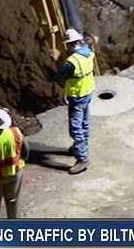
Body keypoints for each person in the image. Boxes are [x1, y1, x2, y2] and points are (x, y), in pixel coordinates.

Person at [55, 28, 95, 174]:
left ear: (70, 44)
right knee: (85, 121)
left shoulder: (71, 62)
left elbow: (59, 76)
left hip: (77, 95)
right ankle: (81, 146)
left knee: (75, 127)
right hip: (88, 91)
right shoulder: (88, 52)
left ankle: (82, 158)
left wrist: (58, 59)